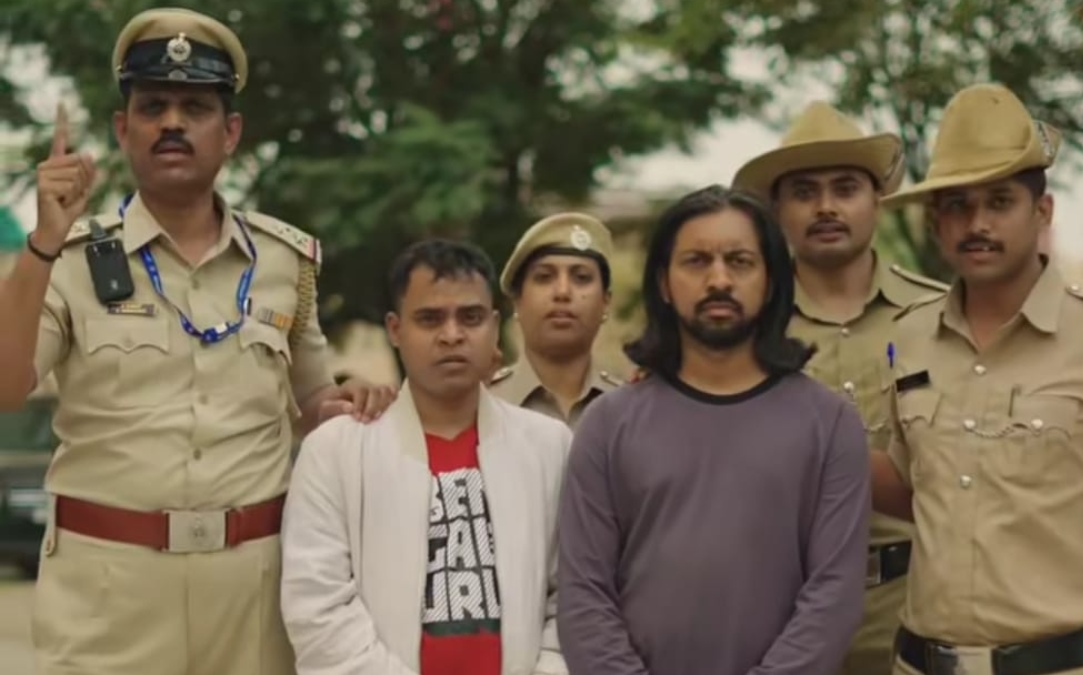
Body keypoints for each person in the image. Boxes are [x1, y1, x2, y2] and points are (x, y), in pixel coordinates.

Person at [0, 8, 394, 675]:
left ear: (230, 132)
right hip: (108, 593)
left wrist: (352, 401)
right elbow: (7, 388)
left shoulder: (284, 260)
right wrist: (40, 243)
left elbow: (312, 402)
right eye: (153, 107)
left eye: (196, 108)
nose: (173, 123)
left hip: (251, 590)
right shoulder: (68, 257)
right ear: (123, 129)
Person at [872, 83, 1083, 675]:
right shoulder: (910, 336)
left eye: (1000, 202)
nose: (978, 223)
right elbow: (910, 485)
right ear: (936, 222)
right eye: (958, 206)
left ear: (1041, 212)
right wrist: (810, 426)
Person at [557, 184, 872, 675]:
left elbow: (834, 596)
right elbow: (584, 596)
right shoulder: (608, 425)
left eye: (740, 262)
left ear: (771, 282)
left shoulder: (830, 424)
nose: (719, 279)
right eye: (697, 261)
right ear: (664, 283)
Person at [280, 239, 571, 675]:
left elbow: (571, 597)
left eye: (470, 317)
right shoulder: (336, 450)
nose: (452, 335)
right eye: (430, 319)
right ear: (395, 329)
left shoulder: (549, 446)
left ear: (494, 326)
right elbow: (317, 605)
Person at [732, 101, 948, 675]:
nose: (825, 207)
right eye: (804, 192)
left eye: (845, 188)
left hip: (920, 605)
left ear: (876, 200)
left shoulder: (941, 317)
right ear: (777, 209)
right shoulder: (740, 329)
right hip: (779, 614)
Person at [489, 213, 623, 428]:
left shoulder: (633, 409)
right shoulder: (482, 405)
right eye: (544, 277)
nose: (562, 292)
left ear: (605, 302)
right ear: (517, 302)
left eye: (581, 278)